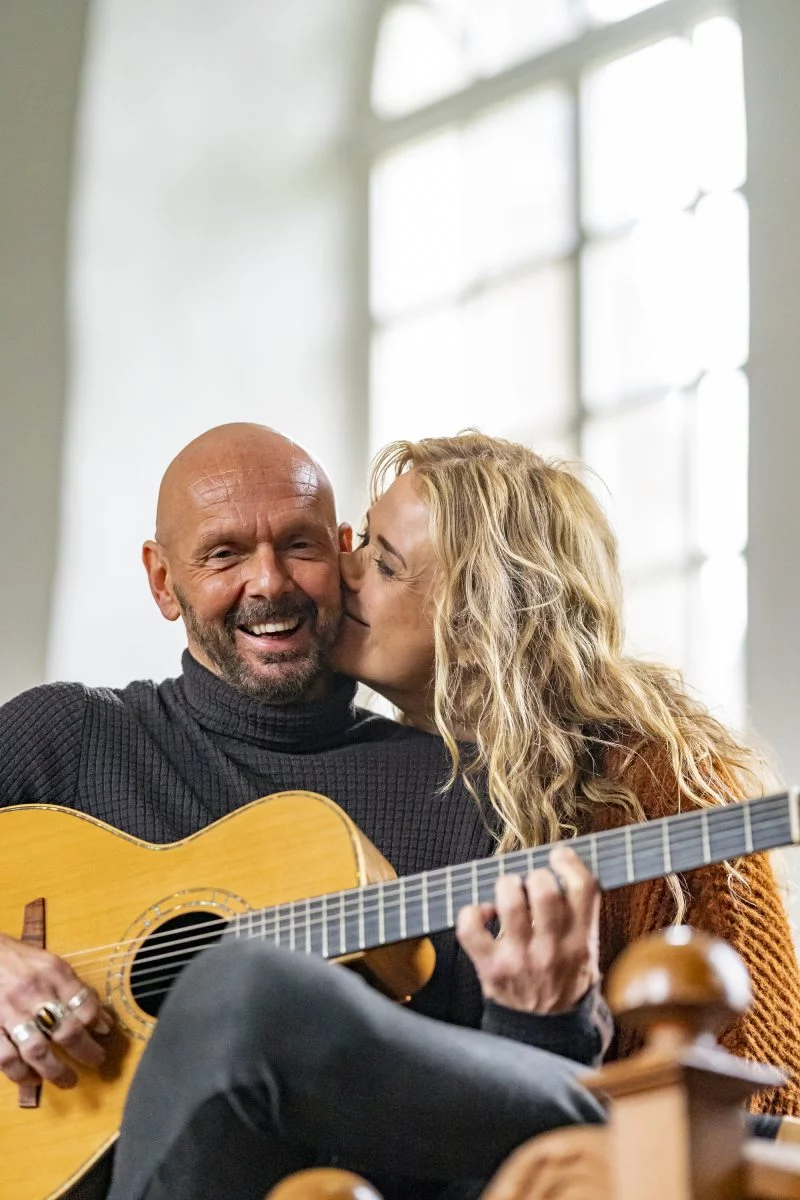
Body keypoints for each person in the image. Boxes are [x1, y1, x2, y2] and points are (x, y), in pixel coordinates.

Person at [0, 423, 607, 1200]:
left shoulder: (463, 797)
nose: (269, 582)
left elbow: (504, 1165)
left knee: (245, 987)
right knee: (243, 983)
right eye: (224, 554)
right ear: (162, 581)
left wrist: (547, 1024)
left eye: (299, 545)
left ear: (342, 550)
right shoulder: (66, 737)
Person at [330, 431, 800, 1104]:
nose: (343, 568)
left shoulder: (665, 788)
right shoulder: (380, 773)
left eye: (384, 563)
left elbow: (765, 1096)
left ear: (479, 622)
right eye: (363, 541)